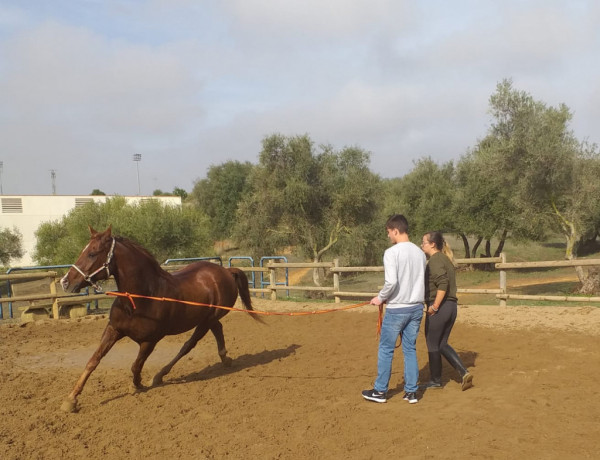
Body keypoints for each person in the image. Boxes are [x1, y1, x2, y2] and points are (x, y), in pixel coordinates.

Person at [362, 214, 426, 404]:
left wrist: (380, 298)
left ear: (395, 230)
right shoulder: (420, 253)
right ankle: (412, 392)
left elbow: (391, 282)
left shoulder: (391, 253)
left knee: (385, 349)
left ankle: (380, 391)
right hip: (416, 308)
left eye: (389, 232)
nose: (389, 236)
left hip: (397, 308)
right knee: (410, 349)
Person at [421, 231, 473, 391]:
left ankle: (436, 380)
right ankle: (463, 373)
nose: (421, 245)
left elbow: (442, 284)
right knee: (441, 343)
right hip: (451, 307)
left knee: (431, 342)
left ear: (432, 244)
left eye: (424, 242)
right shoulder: (445, 259)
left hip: (441, 307)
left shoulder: (435, 260)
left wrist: (434, 306)